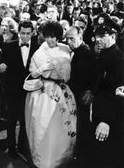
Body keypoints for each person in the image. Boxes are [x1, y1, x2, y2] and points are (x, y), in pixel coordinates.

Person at [24, 21, 76, 168]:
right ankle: (43, 159)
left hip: (62, 90)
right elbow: (34, 72)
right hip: (44, 92)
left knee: (61, 125)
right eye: (47, 36)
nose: (50, 40)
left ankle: (61, 156)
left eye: (53, 37)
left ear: (58, 36)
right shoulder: (39, 52)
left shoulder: (66, 49)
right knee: (42, 124)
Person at [0, 20, 39, 159]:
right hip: (12, 91)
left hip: (30, 91)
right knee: (11, 121)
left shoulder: (38, 48)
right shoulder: (8, 46)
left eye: (28, 33)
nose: (25, 36)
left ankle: (22, 146)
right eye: (23, 33)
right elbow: (2, 65)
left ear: (32, 33)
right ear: (19, 32)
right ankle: (11, 148)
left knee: (25, 120)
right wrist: (2, 66)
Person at [84, 25, 124, 167]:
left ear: (113, 36)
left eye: (102, 36)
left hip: (108, 121)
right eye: (97, 36)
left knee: (107, 157)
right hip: (98, 113)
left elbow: (119, 95)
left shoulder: (118, 59)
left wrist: (106, 120)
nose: (98, 39)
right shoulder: (105, 54)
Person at [65, 26, 96, 166]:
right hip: (78, 95)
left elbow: (87, 76)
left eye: (72, 39)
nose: (69, 42)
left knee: (83, 128)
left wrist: (90, 91)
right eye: (67, 39)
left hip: (82, 96)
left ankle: (83, 158)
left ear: (81, 37)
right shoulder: (79, 51)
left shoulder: (86, 53)